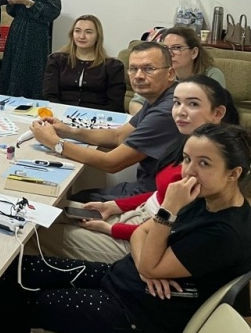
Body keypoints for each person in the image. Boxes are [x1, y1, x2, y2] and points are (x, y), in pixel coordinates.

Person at [0, 123, 251, 333]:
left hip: (139, 320)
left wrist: (159, 230)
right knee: (11, 271)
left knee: (17, 304)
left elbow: (149, 256)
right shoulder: (201, 197)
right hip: (123, 281)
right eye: (187, 159)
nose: (189, 171)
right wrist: (148, 257)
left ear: (234, 173)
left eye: (204, 163)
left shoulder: (224, 232)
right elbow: (140, 236)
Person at [42, 77, 239, 264]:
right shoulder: (187, 142)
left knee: (38, 233)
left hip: (143, 238)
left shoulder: (207, 168)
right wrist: (114, 206)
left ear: (218, 113)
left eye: (193, 104)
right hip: (138, 215)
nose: (180, 111)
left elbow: (173, 230)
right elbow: (161, 195)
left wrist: (113, 229)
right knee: (45, 212)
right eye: (177, 103)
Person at [33, 42, 181, 201]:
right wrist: (68, 131)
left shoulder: (167, 110)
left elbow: (112, 163)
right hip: (147, 186)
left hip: (154, 198)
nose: (138, 76)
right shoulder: (160, 96)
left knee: (66, 200)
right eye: (133, 69)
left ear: (170, 73)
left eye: (149, 69)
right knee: (78, 195)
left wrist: (54, 142)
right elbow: (118, 136)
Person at [128, 26, 225, 115]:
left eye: (177, 48)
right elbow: (135, 103)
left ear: (194, 52)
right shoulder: (162, 73)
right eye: (165, 48)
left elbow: (213, 112)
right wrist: (151, 121)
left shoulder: (212, 75)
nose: (170, 54)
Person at [42, 15, 126, 112]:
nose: (82, 36)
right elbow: (49, 95)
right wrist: (62, 113)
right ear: (72, 34)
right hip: (59, 113)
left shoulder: (113, 66)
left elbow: (115, 103)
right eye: (77, 31)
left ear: (98, 36)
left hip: (99, 116)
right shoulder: (56, 60)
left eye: (88, 32)